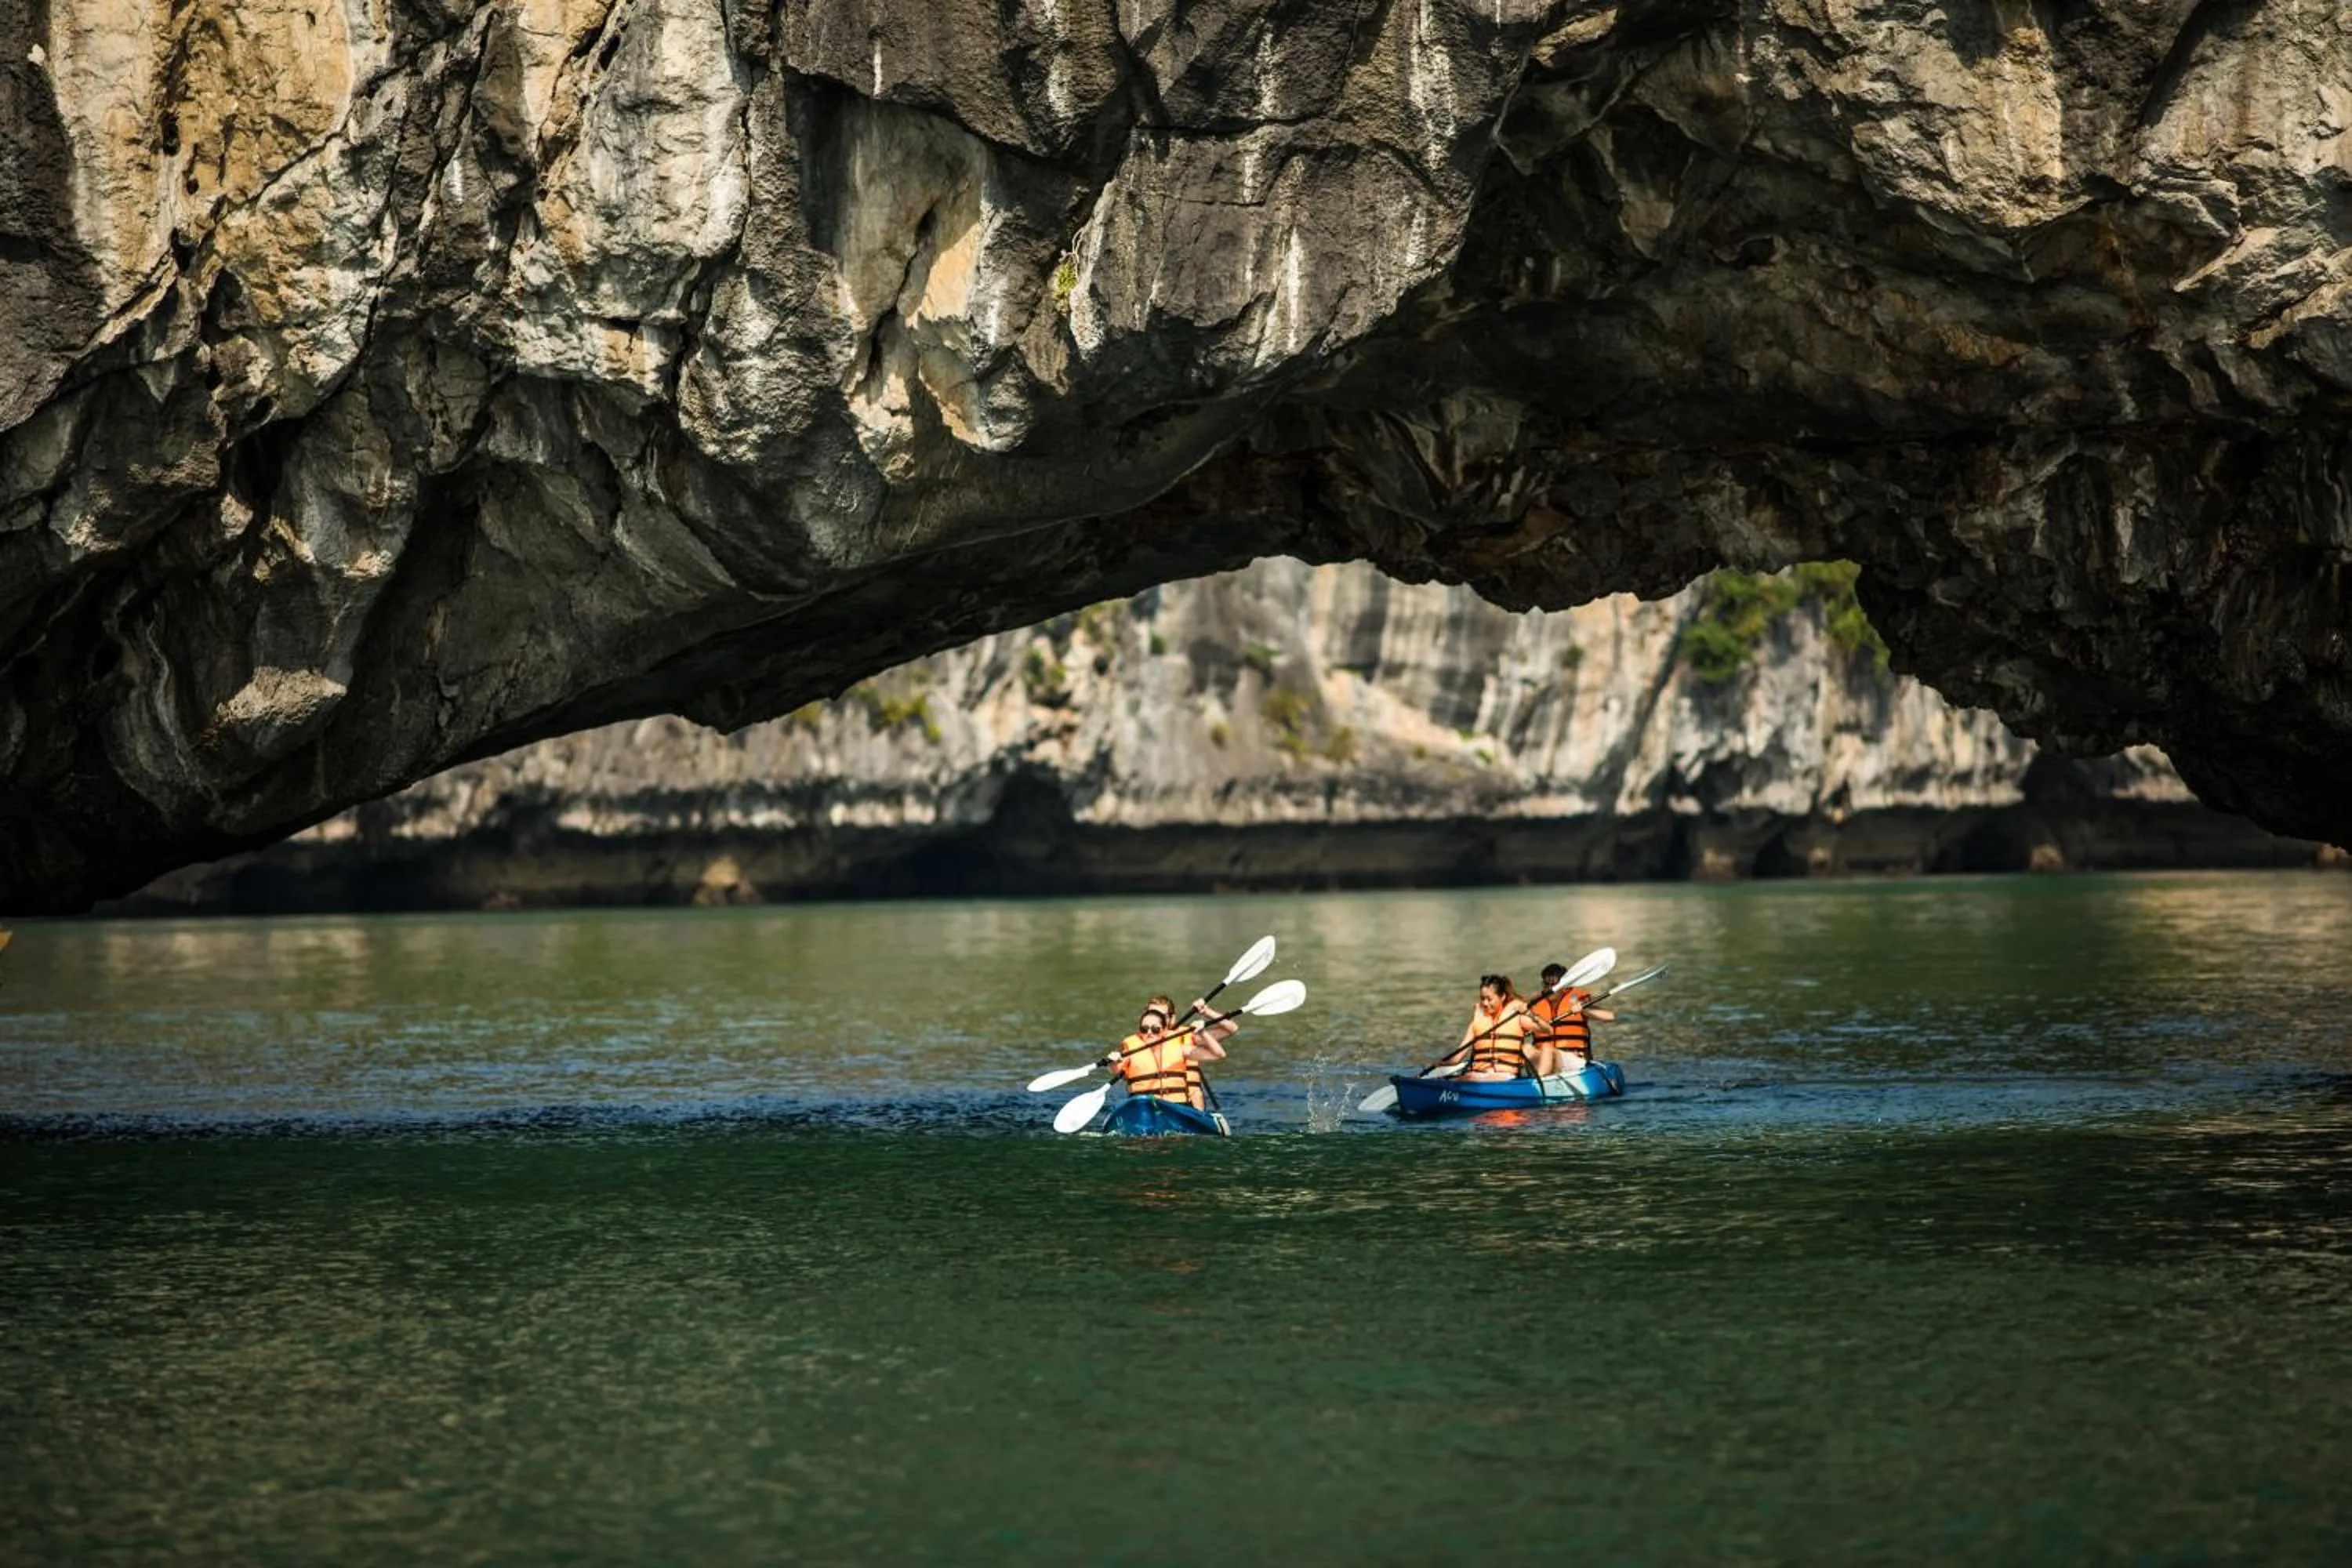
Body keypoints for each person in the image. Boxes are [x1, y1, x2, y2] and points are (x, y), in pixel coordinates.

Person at [1099, 994, 1237, 1112]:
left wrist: (1206, 1012)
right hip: (1146, 1103)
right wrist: (1114, 1062)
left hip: (1187, 1102)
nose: (1154, 1018)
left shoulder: (1188, 1035)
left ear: (1172, 1017)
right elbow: (1118, 1070)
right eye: (1151, 1014)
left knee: (1195, 1095)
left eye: (1160, 1016)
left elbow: (1231, 1029)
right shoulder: (1134, 1043)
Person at [1526, 961, 1614, 1078]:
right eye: (1545, 984)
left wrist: (1584, 1010)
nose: (1549, 989)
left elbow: (1610, 1016)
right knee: (1526, 1049)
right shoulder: (1535, 1004)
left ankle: (1539, 1083)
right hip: (1545, 1059)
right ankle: (1535, 1079)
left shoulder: (1577, 999)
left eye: (1553, 985)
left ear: (1565, 985)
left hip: (1574, 1060)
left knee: (1548, 1049)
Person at [1443, 974, 1533, 1080]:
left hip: (1505, 1076)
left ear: (1502, 997)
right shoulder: (1477, 1022)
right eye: (1482, 999)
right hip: (1478, 1074)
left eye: (1489, 999)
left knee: (1471, 1079)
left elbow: (1546, 1030)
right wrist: (1442, 1063)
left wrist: (1531, 1015)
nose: (1485, 1003)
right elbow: (1458, 1057)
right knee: (1464, 1078)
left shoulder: (1518, 1017)